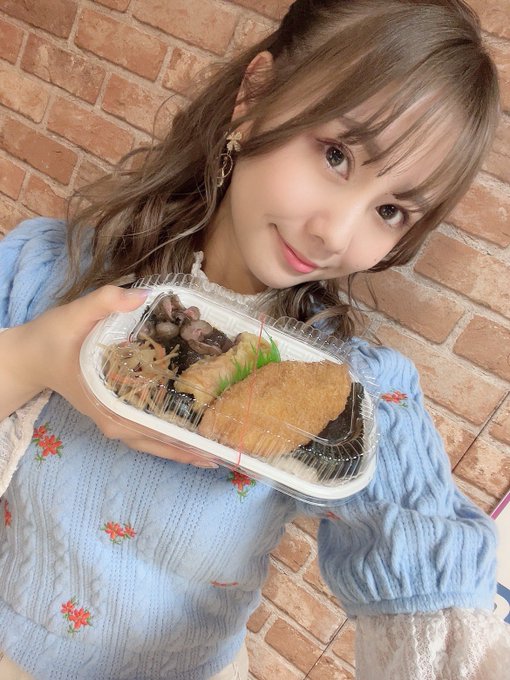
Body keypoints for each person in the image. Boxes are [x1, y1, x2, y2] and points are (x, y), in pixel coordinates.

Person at [0, 0, 509, 677]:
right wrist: (35, 357)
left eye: (390, 210)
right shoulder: (50, 270)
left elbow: (436, 600)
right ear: (256, 96)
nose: (336, 233)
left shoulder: (354, 393)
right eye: (337, 155)